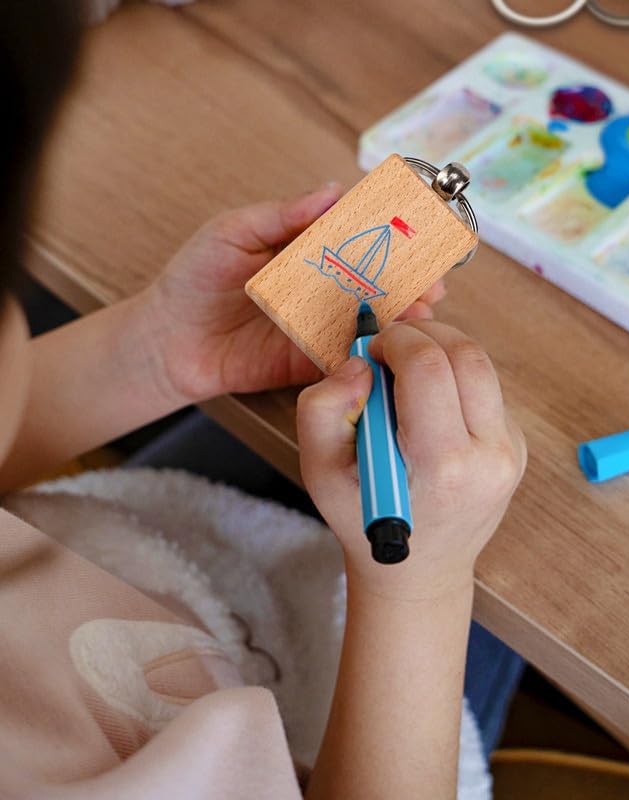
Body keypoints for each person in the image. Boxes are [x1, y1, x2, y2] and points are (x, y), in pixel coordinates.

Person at [0, 2, 527, 798]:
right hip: (328, 714)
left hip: (140, 563)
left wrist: (156, 352)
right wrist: (422, 585)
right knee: (531, 574)